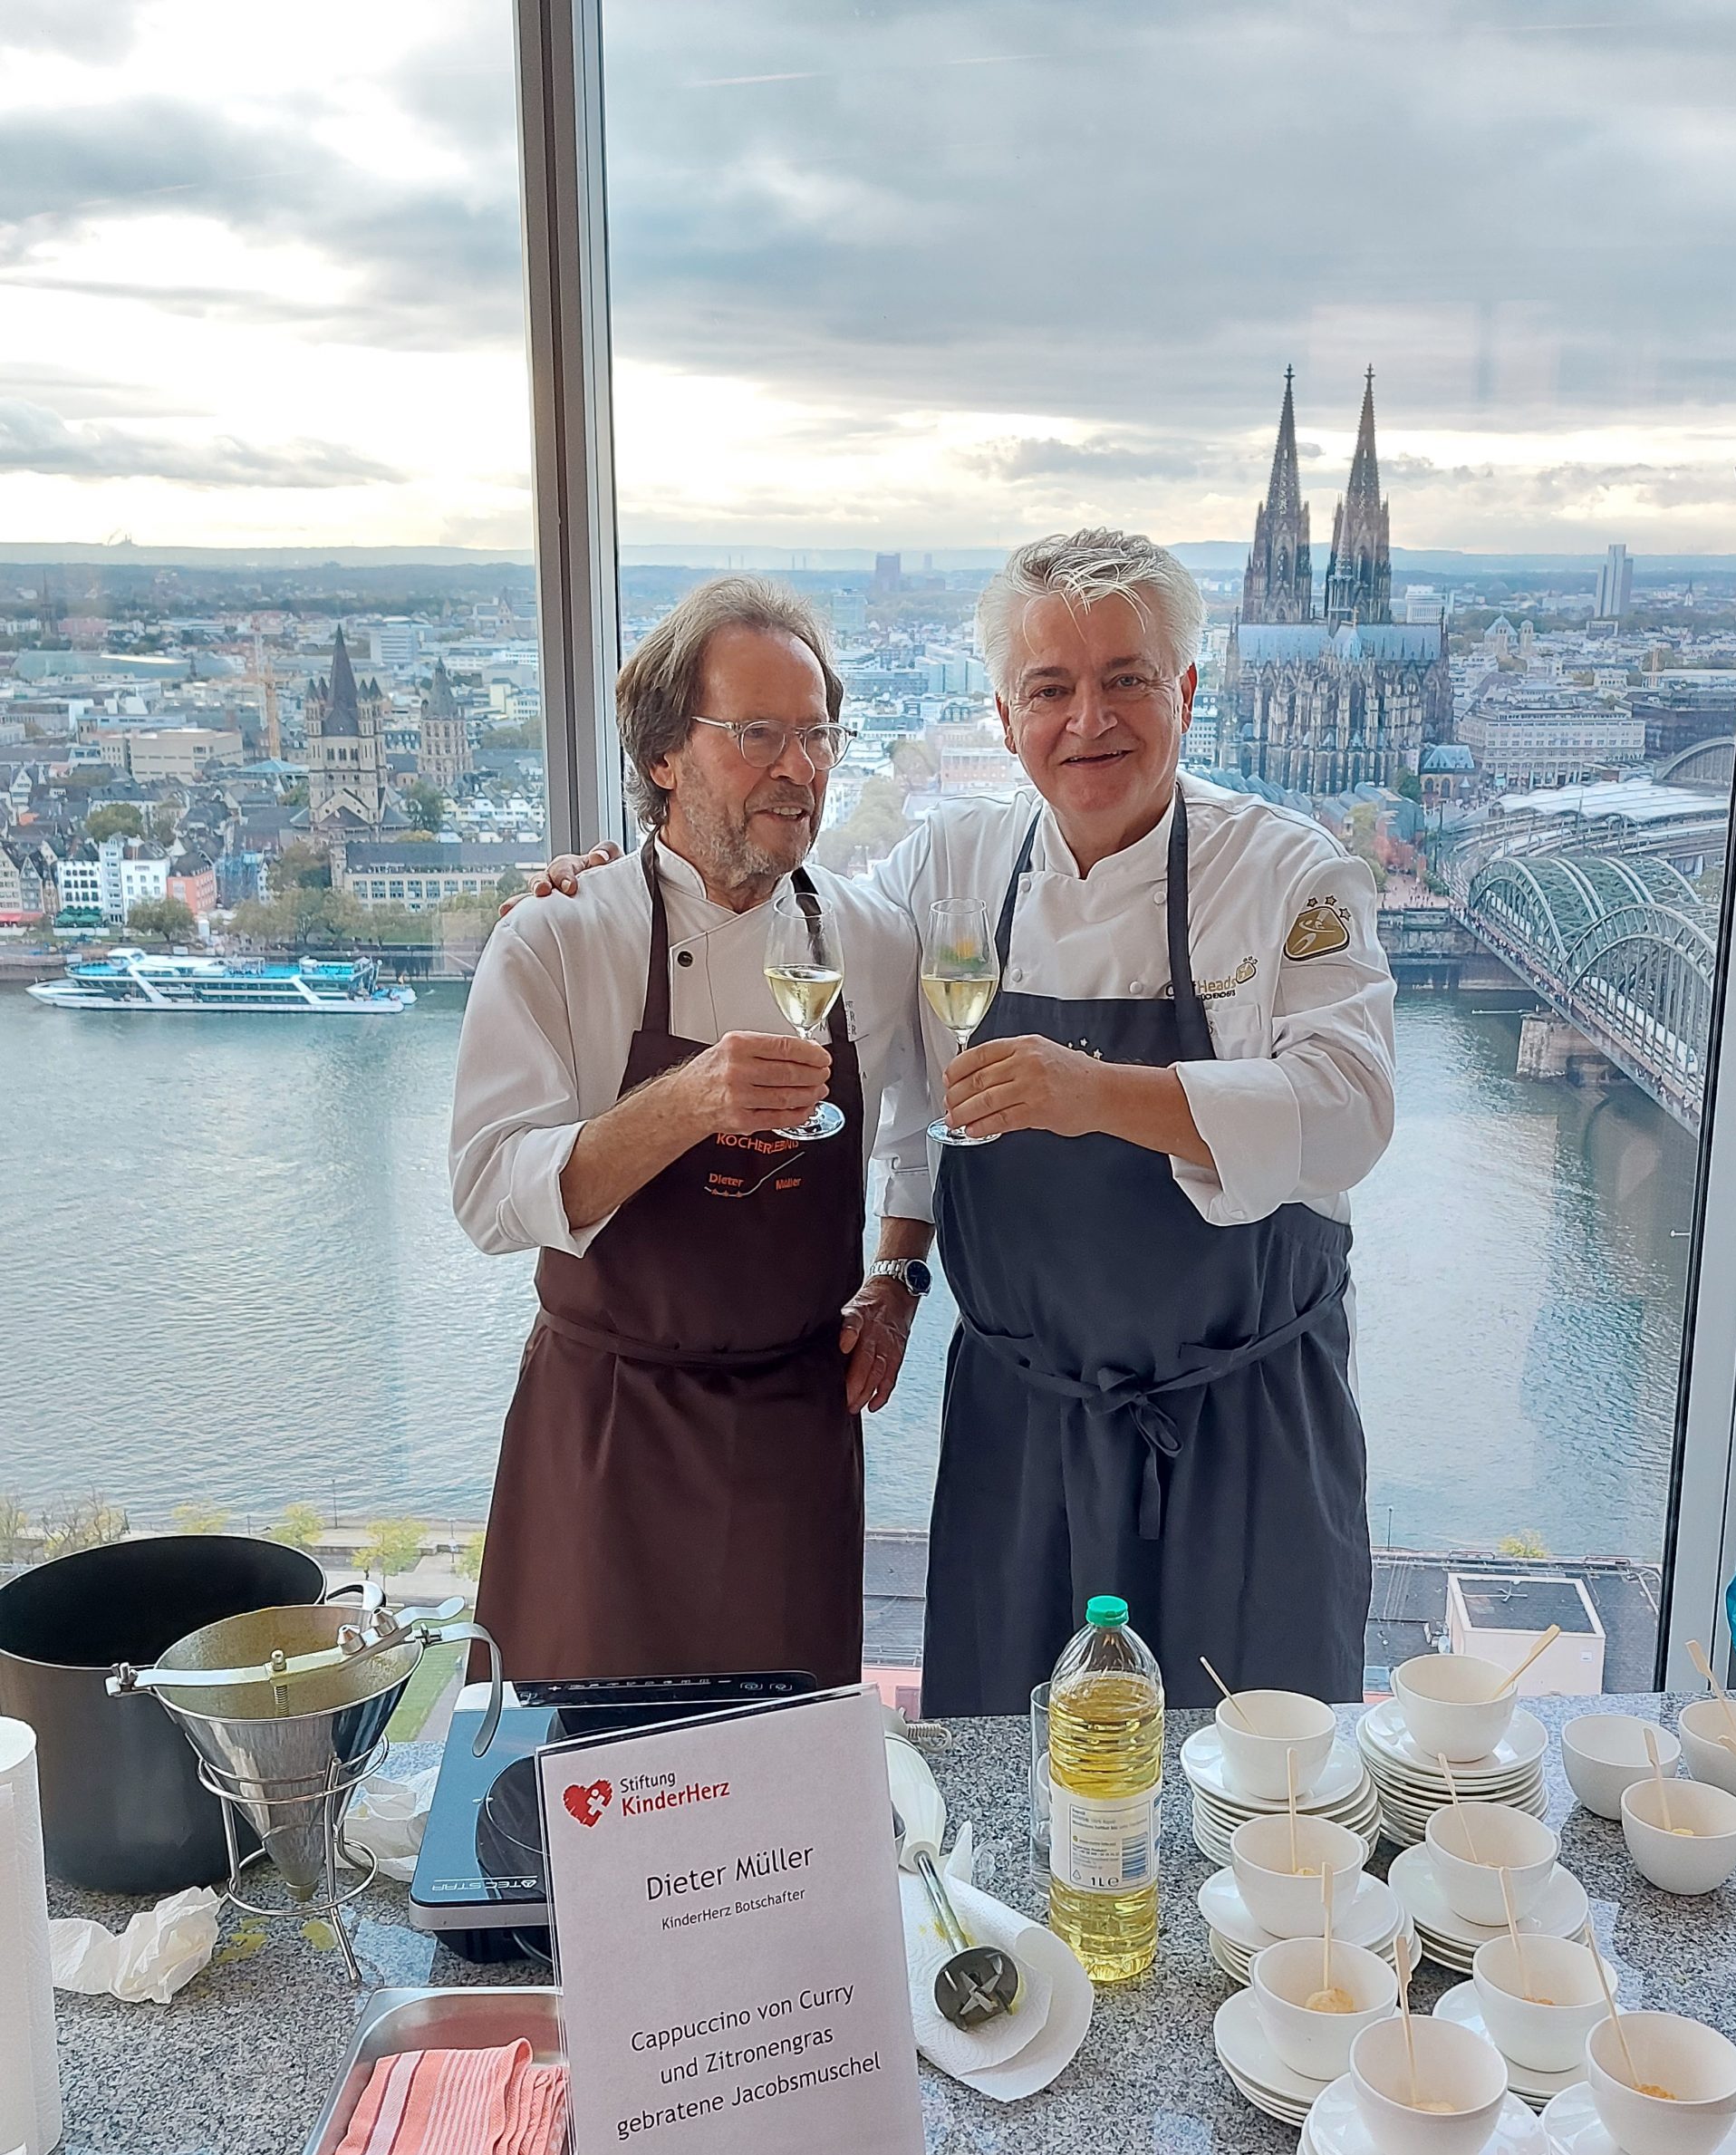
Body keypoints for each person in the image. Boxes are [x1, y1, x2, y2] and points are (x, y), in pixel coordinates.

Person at [529, 528, 1397, 1715]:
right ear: (1004, 716)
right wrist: (628, 889)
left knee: (1266, 1789)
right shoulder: (950, 874)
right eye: (1050, 688)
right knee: (1000, 1784)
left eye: (1126, 679)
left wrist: (1094, 1094)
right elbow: (786, 954)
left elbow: (1349, 1113)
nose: (1088, 719)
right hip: (1021, 1433)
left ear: (1187, 693)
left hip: (1242, 1433)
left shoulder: (1291, 878)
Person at [449, 576, 933, 1686]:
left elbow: (922, 1121)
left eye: (816, 734)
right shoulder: (557, 941)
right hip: (606, 1434)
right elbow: (486, 1192)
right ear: (664, 754)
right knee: (581, 1796)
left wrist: (900, 1277)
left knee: (777, 1810)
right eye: (757, 732)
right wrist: (687, 1101)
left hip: (792, 1433)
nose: (800, 767)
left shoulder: (869, 936)